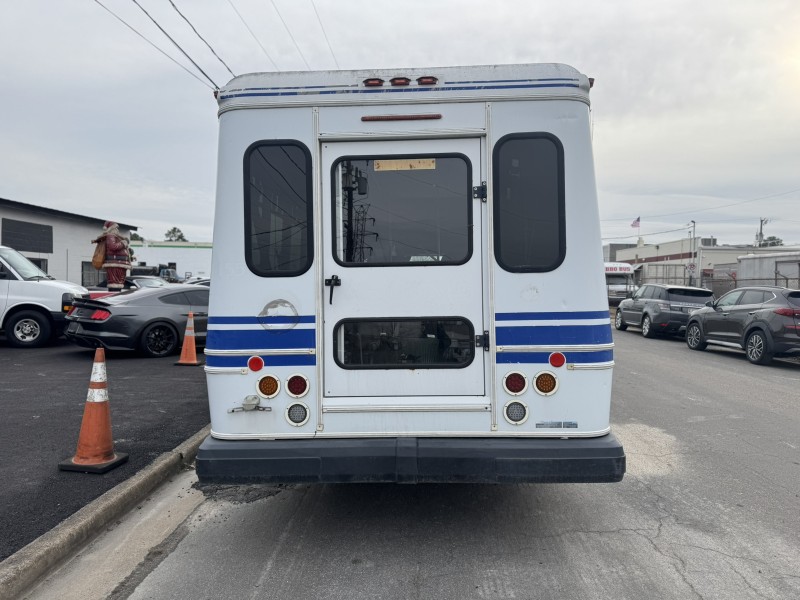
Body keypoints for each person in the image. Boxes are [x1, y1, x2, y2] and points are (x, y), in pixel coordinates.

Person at [92, 221, 131, 290]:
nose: (117, 230)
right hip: (115, 263)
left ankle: (115, 293)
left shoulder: (115, 237)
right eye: (115, 228)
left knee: (118, 283)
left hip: (118, 263)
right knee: (115, 283)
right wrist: (123, 243)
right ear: (111, 228)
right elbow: (113, 247)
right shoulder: (111, 236)